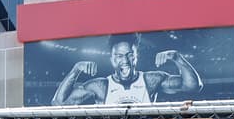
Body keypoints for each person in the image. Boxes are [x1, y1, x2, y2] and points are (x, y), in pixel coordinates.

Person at [50, 33, 202, 105]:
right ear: (112, 58)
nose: (125, 61)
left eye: (129, 55)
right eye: (119, 56)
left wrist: (177, 58)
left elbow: (193, 86)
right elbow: (59, 103)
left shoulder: (150, 80)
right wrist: (76, 70)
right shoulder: (101, 86)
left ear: (137, 56)